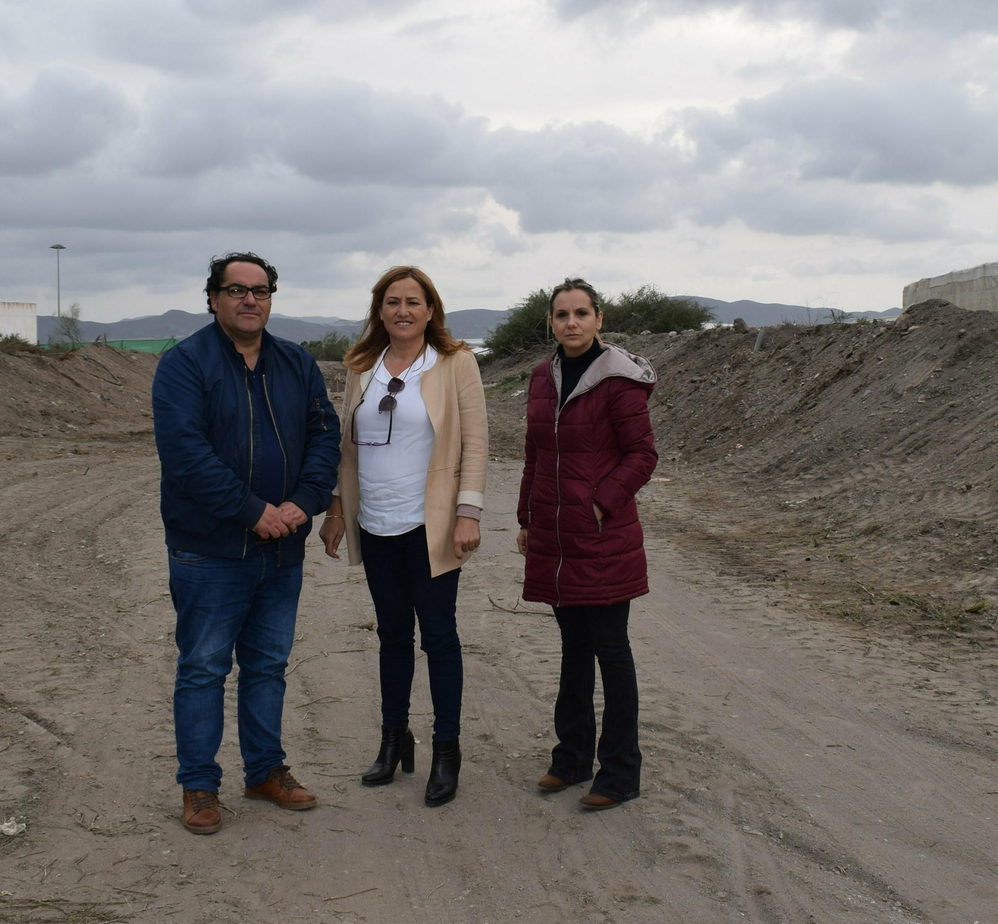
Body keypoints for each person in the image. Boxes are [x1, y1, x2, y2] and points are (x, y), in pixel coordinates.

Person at [152, 252, 341, 835]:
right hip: (208, 551)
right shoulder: (184, 365)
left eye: (260, 290)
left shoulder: (296, 362)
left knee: (267, 666)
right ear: (212, 298)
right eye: (235, 290)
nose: (249, 300)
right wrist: (250, 510)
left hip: (281, 548)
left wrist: (304, 501)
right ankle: (200, 787)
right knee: (204, 668)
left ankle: (264, 771)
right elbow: (186, 455)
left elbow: (324, 436)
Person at [320, 266, 487, 807]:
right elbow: (348, 448)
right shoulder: (361, 366)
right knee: (392, 634)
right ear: (379, 310)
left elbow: (476, 446)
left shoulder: (455, 362)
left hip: (431, 523)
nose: (403, 311)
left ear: (431, 310)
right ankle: (395, 739)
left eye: (414, 302)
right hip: (377, 522)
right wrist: (339, 510)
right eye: (392, 302)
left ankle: (446, 749)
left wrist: (469, 512)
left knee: (438, 636)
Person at [516, 278, 657, 810]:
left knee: (611, 652)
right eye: (560, 314)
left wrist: (599, 503)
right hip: (555, 539)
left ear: (599, 319)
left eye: (580, 313)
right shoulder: (540, 378)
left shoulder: (619, 382)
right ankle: (571, 759)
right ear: (550, 322)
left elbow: (642, 455)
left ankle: (620, 771)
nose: (570, 323)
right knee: (573, 650)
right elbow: (534, 456)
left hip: (600, 536)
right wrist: (527, 516)